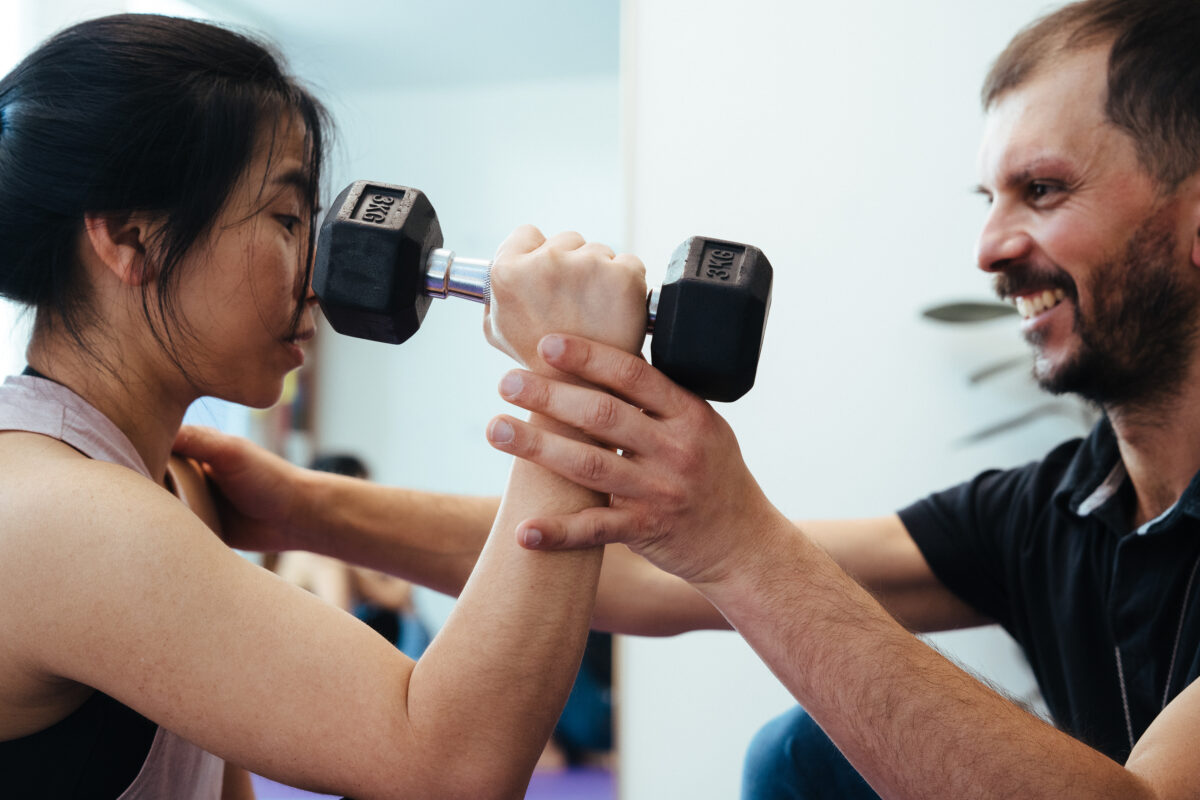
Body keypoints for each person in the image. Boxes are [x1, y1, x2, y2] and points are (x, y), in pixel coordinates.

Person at [178, 0, 1200, 797]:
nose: (987, 248)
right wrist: (298, 504)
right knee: (806, 758)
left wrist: (734, 534)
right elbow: (648, 578)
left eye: (1045, 191)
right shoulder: (1063, 506)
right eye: (991, 201)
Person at [0, 13, 649, 799]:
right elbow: (452, 768)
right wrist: (569, 371)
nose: (315, 275)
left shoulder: (170, 480)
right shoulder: (54, 513)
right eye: (284, 218)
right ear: (131, 239)